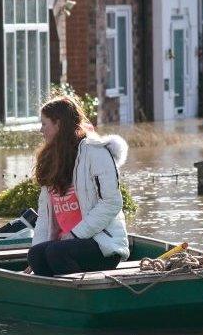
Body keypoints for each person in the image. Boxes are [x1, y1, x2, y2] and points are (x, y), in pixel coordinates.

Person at [26, 96, 130, 277]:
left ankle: (83, 297)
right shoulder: (50, 159)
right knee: (36, 255)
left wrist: (75, 234)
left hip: (102, 245)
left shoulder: (95, 152)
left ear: (58, 124)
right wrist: (35, 257)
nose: (40, 130)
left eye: (44, 124)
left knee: (55, 252)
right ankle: (56, 298)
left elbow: (112, 203)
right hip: (67, 245)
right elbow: (44, 216)